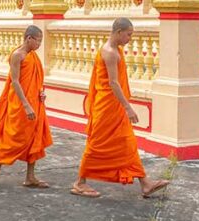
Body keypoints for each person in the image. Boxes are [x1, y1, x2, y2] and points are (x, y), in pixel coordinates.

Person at [70, 18, 169, 199]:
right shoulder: (110, 53)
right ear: (118, 32)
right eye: (128, 34)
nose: (129, 38)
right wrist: (128, 108)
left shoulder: (117, 51)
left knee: (127, 142)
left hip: (113, 107)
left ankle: (145, 183)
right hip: (107, 107)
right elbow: (114, 83)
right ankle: (79, 182)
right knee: (96, 144)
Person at [0, 26, 53, 188]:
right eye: (38, 40)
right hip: (20, 103)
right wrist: (26, 105)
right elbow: (15, 81)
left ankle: (30, 177)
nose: (39, 44)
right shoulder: (18, 55)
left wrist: (41, 93)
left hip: (35, 102)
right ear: (29, 38)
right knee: (15, 136)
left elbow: (35, 80)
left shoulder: (33, 57)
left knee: (34, 138)